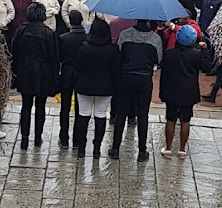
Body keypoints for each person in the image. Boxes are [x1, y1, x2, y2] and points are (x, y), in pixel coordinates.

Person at [109, 20, 163, 162]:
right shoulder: (155, 39)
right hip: (144, 79)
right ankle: (142, 151)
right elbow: (159, 60)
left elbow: (119, 53)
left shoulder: (125, 35)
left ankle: (115, 148)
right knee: (143, 114)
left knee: (121, 112)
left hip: (126, 77)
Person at [159, 25, 213, 159]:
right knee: (185, 120)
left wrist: (162, 92)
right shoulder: (197, 54)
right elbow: (206, 67)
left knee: (170, 119)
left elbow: (163, 75)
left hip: (172, 90)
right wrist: (205, 50)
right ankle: (182, 150)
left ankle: (168, 148)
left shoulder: (169, 54)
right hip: (189, 91)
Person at [12, 2, 59, 149]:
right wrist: (54, 76)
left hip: (25, 70)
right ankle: (38, 137)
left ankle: (24, 138)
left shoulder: (22, 30)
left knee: (26, 105)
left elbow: (14, 50)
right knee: (41, 105)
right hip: (43, 72)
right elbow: (54, 57)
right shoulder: (49, 33)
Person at [75, 19, 120, 158]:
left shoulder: (84, 47)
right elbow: (116, 71)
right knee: (100, 115)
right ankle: (96, 149)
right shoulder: (113, 49)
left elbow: (78, 67)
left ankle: (81, 148)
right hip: (105, 87)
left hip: (85, 86)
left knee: (83, 115)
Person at [58, 10, 87, 148]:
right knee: (80, 109)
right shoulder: (87, 38)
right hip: (82, 75)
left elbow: (59, 58)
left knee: (65, 107)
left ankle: (63, 137)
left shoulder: (63, 38)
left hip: (67, 74)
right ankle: (77, 139)